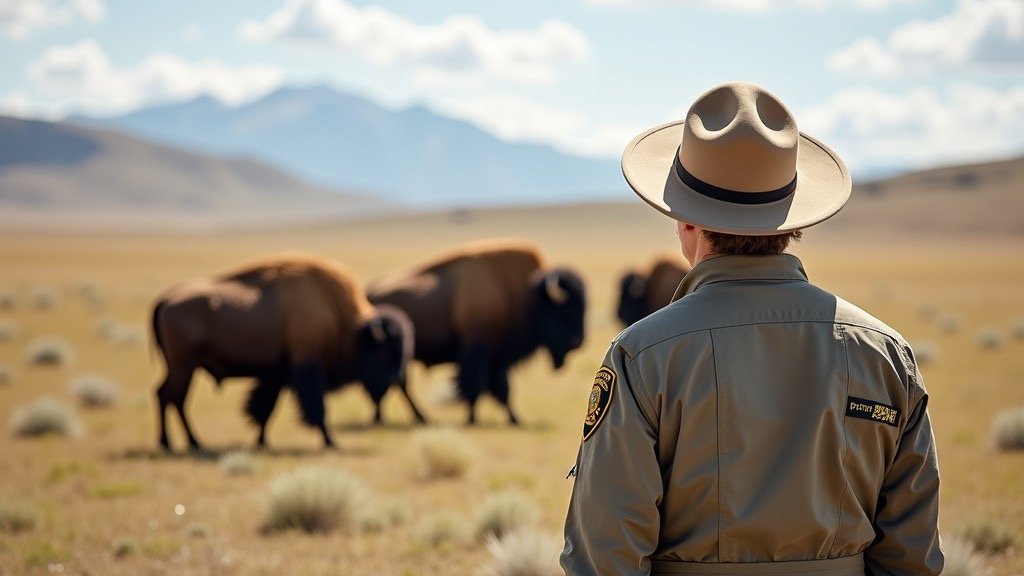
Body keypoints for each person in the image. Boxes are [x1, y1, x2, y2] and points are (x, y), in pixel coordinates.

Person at [561, 81, 942, 576]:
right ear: (791, 220)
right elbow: (911, 553)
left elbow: (604, 552)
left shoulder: (642, 355)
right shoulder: (885, 354)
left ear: (685, 220)